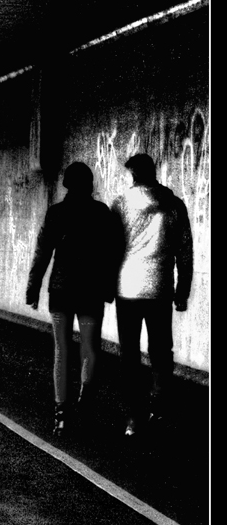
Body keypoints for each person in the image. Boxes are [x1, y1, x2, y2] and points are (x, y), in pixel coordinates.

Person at [26, 162, 118, 435]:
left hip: (61, 290)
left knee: (61, 350)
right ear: (89, 184)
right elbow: (110, 254)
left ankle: (61, 415)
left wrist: (33, 288)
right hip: (90, 291)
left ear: (66, 184)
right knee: (90, 348)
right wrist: (108, 288)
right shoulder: (101, 212)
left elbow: (42, 253)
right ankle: (85, 402)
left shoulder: (56, 213)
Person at [110, 153, 193, 437]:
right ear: (154, 173)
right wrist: (182, 291)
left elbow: (112, 250)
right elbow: (185, 252)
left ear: (133, 174)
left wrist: (109, 287)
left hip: (128, 288)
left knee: (129, 355)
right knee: (160, 351)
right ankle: (159, 406)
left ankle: (133, 418)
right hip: (160, 288)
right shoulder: (174, 204)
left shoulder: (120, 204)